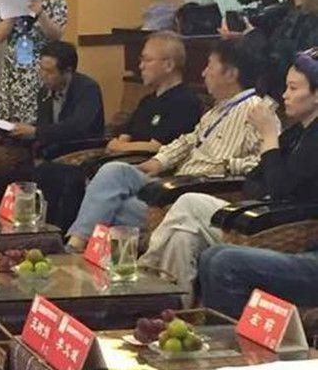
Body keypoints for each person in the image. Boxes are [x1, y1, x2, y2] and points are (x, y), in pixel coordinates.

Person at [65, 39, 273, 251]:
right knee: (114, 171)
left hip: (198, 194)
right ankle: (78, 246)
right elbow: (188, 140)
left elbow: (262, 165)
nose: (203, 73)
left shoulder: (256, 111)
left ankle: (76, 248)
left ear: (230, 74)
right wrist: (159, 161)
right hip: (173, 183)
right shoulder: (218, 109)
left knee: (112, 207)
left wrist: (225, 165)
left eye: (210, 66)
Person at [141, 49, 318, 291]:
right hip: (252, 212)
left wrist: (268, 136)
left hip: (284, 227)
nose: (285, 95)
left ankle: (146, 271)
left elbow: (279, 189)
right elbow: (254, 179)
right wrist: (266, 183)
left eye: (293, 88)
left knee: (189, 202)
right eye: (286, 87)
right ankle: (176, 305)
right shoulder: (296, 132)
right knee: (183, 237)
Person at [20, 32, 202, 232]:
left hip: (147, 169)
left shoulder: (185, 101)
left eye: (147, 60)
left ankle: (67, 238)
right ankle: (45, 233)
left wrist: (121, 146)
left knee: (72, 179)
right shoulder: (147, 101)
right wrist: (120, 144)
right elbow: (125, 134)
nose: (140, 66)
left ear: (168, 65)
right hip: (119, 158)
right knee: (47, 172)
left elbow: (158, 146)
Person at [222, 0, 318, 102]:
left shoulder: (311, 19)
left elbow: (286, 62)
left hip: (294, 98)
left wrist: (253, 37)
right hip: (271, 95)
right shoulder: (286, 12)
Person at [0, 0, 68, 124]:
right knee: (12, 126)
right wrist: (12, 12)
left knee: (42, 122)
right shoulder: (6, 1)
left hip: (43, 71)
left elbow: (57, 35)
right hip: (14, 72)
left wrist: (40, 13)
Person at [9, 41, 104, 153]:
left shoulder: (88, 89)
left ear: (68, 71)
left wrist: (36, 132)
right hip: (54, 150)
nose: (43, 75)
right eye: (41, 69)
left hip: (82, 150)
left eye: (49, 71)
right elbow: (45, 125)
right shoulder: (44, 91)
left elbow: (77, 127)